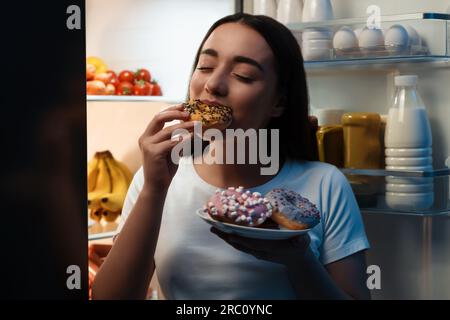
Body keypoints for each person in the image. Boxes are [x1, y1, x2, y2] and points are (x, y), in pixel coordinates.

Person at [92, 12, 371, 300]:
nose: (213, 84)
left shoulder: (325, 184)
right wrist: (153, 189)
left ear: (279, 101)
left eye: (243, 75)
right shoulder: (157, 180)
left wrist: (299, 260)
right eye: (205, 66)